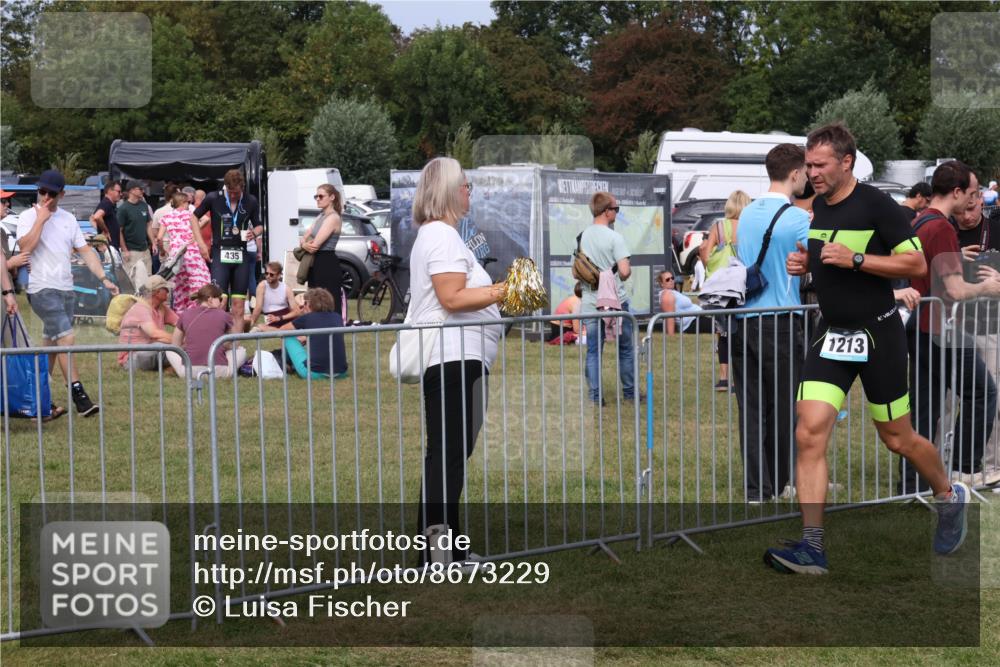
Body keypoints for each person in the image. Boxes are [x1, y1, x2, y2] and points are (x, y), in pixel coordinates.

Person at [771, 124, 970, 575]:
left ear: (846, 162)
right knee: (809, 431)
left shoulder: (879, 205)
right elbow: (830, 259)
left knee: (897, 438)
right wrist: (807, 265)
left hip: (879, 335)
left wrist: (857, 259)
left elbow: (916, 264)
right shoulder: (818, 205)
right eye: (809, 164)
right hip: (833, 332)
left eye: (820, 165)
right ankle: (812, 547)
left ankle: (947, 496)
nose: (811, 172)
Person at [406, 156, 505, 561]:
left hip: (463, 359)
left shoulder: (445, 236)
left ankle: (449, 549)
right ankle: (437, 554)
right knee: (446, 456)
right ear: (448, 191)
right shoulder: (441, 237)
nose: (470, 191)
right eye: (465, 185)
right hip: (452, 358)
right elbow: (452, 298)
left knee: (450, 457)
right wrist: (505, 289)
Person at [905, 162, 1000, 493]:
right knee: (984, 391)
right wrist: (988, 289)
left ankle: (912, 484)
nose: (974, 201)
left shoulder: (920, 221)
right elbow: (957, 290)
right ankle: (963, 469)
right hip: (940, 326)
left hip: (919, 325)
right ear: (956, 192)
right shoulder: (943, 228)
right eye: (971, 194)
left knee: (924, 410)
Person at [730, 144, 810, 503]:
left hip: (744, 319)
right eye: (805, 171)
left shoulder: (746, 214)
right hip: (779, 318)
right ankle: (778, 482)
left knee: (751, 408)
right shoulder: (795, 218)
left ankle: (755, 488)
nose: (807, 177)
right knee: (782, 407)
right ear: (795, 174)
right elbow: (822, 258)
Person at [16, 169, 119, 416]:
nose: (46, 198)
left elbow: (85, 252)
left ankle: (36, 399)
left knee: (52, 344)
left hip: (65, 289)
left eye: (51, 193)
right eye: (42, 192)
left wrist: (104, 278)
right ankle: (78, 394)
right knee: (66, 337)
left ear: (61, 194)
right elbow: (25, 248)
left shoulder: (68, 220)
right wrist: (41, 219)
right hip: (41, 288)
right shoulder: (28, 217)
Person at [951, 188, 1000, 486]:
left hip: (989, 325)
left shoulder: (995, 229)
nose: (967, 216)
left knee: (994, 397)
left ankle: (993, 468)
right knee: (947, 402)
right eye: (962, 211)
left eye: (973, 209)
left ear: (981, 201)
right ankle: (942, 466)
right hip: (950, 326)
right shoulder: (945, 229)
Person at [580, 191, 640, 405]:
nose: (616, 212)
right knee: (625, 349)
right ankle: (630, 393)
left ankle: (596, 397)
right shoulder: (615, 237)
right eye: (615, 208)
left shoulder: (583, 236)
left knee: (594, 351)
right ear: (606, 212)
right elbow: (624, 271)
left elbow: (574, 271)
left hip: (589, 302)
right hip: (615, 302)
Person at [193, 169, 262, 333]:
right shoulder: (213, 197)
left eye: (236, 193)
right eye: (230, 192)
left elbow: (259, 225)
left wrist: (256, 232)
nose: (233, 196)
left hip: (241, 254)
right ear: (226, 187)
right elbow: (193, 217)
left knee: (238, 306)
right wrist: (201, 244)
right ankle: (217, 342)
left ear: (242, 188)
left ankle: (236, 345)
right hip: (220, 254)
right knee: (219, 302)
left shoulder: (250, 201)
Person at [700, 190, 752, 391]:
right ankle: (743, 377)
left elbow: (705, 252)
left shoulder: (719, 226)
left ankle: (723, 378)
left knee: (722, 333)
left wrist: (711, 269)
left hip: (722, 288)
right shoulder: (749, 227)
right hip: (742, 284)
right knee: (744, 331)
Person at [260, 287, 347, 379]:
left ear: (310, 304)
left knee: (288, 337)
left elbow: (282, 330)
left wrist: (264, 328)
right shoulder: (337, 317)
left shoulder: (308, 317)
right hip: (341, 373)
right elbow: (325, 335)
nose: (303, 306)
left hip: (314, 373)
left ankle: (283, 362)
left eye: (305, 303)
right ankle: (286, 363)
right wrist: (306, 337)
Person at [166, 283, 245, 379]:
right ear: (210, 299)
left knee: (169, 350)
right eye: (220, 299)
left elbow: (175, 345)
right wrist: (225, 346)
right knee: (241, 350)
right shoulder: (224, 315)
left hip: (188, 371)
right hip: (218, 371)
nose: (221, 303)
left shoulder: (185, 314)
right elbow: (236, 342)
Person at [156, 190, 211, 313]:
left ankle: (181, 314)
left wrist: (163, 251)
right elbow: (206, 219)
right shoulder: (190, 214)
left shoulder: (166, 217)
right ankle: (196, 311)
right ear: (184, 202)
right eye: (188, 202)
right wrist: (194, 234)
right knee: (199, 282)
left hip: (176, 255)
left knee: (180, 286)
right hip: (192, 252)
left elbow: (159, 238)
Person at [117, 275, 179, 371]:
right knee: (163, 346)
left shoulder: (161, 308)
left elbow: (181, 324)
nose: (168, 291)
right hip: (131, 359)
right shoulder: (140, 308)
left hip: (149, 351)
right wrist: (181, 341)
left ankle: (173, 366)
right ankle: (175, 365)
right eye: (166, 289)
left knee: (171, 347)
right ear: (157, 292)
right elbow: (155, 334)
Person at [301, 184, 345, 314]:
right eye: (316, 196)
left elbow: (314, 246)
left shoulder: (333, 217)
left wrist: (304, 244)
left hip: (327, 263)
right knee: (313, 303)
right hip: (315, 264)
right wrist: (304, 243)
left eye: (321, 196)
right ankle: (316, 332)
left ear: (332, 197)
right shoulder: (320, 216)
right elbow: (304, 236)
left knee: (329, 303)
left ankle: (332, 333)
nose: (318, 199)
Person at [117, 180, 155, 289]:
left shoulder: (144, 206)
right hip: (131, 250)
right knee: (132, 280)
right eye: (140, 189)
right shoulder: (123, 209)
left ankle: (146, 304)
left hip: (145, 250)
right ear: (132, 191)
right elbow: (119, 231)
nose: (143, 191)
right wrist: (124, 250)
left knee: (147, 279)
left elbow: (148, 225)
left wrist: (153, 243)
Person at [249, 261, 301, 330]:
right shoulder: (262, 286)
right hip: (271, 319)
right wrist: (251, 323)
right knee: (255, 324)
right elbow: (258, 308)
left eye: (271, 274)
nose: (268, 276)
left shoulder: (286, 288)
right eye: (266, 273)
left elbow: (296, 311)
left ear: (279, 275)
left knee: (262, 328)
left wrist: (279, 318)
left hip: (285, 318)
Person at [89, 180, 122, 249]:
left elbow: (92, 218)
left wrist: (99, 229)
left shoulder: (108, 204)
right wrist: (105, 231)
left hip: (109, 246)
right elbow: (97, 217)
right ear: (110, 191)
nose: (120, 194)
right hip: (109, 248)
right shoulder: (107, 203)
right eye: (118, 191)